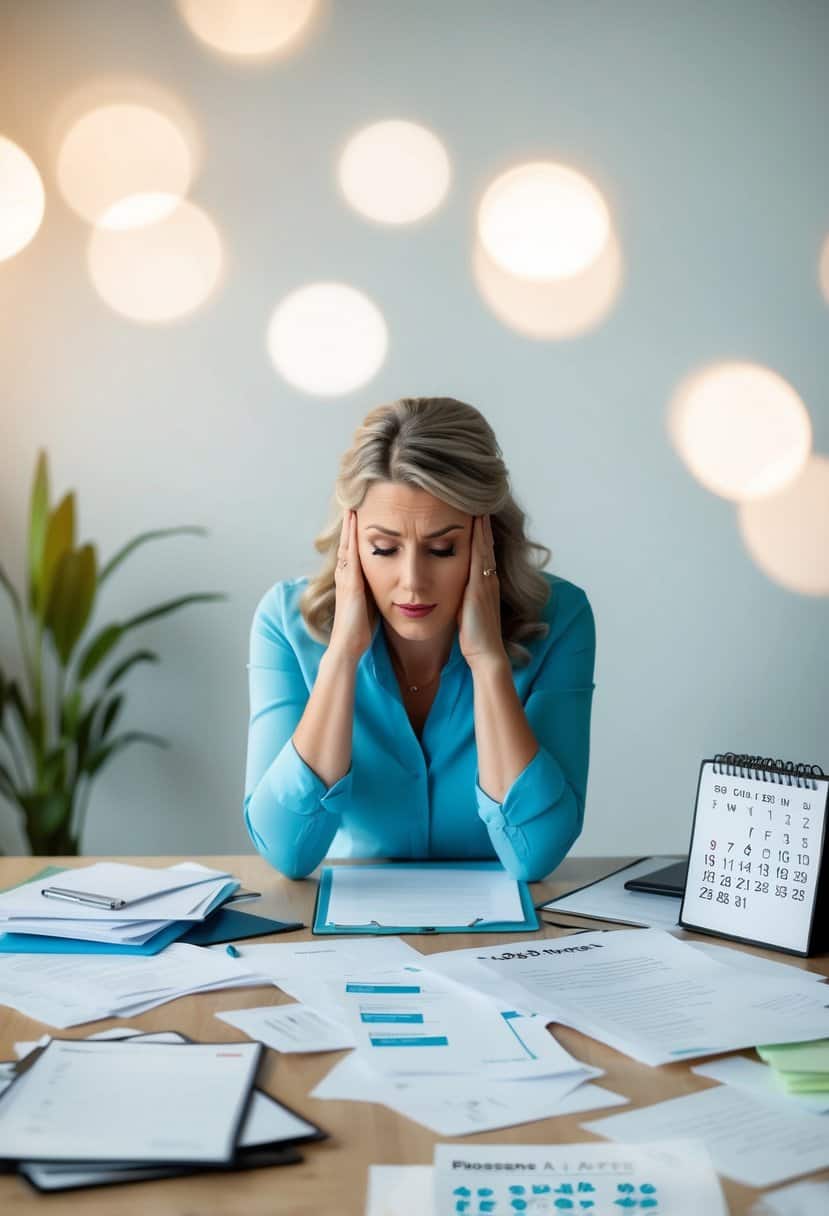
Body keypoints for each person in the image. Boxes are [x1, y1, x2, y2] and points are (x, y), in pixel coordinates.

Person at [244, 396, 595, 882]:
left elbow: (534, 856)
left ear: (486, 537)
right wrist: (342, 658)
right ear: (353, 540)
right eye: (384, 548)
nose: (412, 580)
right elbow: (286, 852)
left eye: (442, 548)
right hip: (352, 938)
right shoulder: (284, 622)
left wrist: (488, 661)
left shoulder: (561, 618)